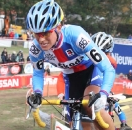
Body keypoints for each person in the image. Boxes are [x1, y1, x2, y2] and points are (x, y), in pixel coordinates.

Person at [26, 0, 115, 130]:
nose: (41, 39)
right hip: (71, 77)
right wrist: (38, 93)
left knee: (91, 108)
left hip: (91, 71)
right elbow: (38, 73)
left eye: (46, 32)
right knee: (73, 122)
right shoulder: (35, 48)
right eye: (36, 34)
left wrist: (104, 94)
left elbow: (108, 68)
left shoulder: (76, 36)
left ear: (59, 27)